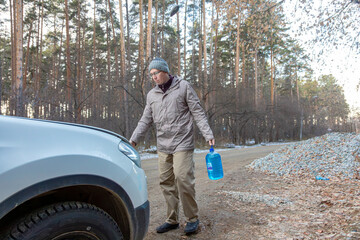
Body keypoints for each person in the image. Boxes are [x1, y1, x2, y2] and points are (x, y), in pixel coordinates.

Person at [130, 57, 215, 235]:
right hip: (163, 144)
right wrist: (134, 139)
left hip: (182, 142)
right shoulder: (152, 95)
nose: (154, 77)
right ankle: (172, 219)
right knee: (166, 182)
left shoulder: (183, 87)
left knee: (183, 177)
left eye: (156, 73)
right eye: (151, 74)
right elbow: (146, 119)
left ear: (166, 72)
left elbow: (197, 111)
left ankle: (192, 218)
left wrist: (208, 134)